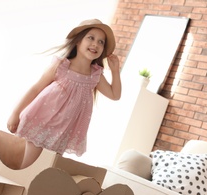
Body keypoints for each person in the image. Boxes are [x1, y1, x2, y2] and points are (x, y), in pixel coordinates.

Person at [7, 19, 122, 169]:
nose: (96, 44)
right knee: (28, 166)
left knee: (45, 170)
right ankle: (14, 190)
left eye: (101, 42)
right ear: (78, 41)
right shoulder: (61, 65)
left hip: (63, 132)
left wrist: (115, 71)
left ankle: (28, 192)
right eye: (91, 38)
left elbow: (115, 95)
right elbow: (36, 88)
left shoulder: (95, 75)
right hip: (41, 122)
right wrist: (15, 112)